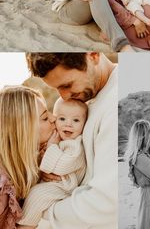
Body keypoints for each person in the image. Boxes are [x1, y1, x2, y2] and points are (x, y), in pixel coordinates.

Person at [26, 52, 118, 229]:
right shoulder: (80, 97)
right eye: (57, 89)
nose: (64, 96)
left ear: (93, 55)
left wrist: (39, 209)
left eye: (67, 85)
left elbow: (106, 202)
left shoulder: (117, 104)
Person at [18, 98, 87, 229]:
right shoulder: (58, 139)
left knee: (37, 195)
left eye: (76, 120)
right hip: (55, 184)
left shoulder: (75, 145)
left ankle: (26, 226)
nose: (68, 124)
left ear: (84, 123)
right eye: (62, 119)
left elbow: (62, 166)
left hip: (65, 186)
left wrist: (51, 148)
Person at [0, 86, 55, 229]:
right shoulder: (2, 187)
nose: (53, 118)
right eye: (44, 118)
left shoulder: (27, 163)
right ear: (23, 130)